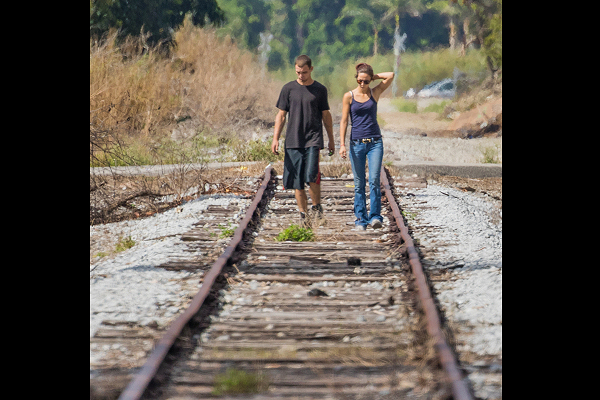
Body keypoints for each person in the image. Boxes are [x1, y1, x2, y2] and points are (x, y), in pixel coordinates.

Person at [272, 55, 335, 226]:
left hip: (313, 140)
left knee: (312, 176)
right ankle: (303, 215)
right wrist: (275, 138)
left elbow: (326, 116)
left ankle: (317, 209)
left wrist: (331, 140)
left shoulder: (320, 90)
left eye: (304, 72)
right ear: (295, 69)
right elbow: (281, 115)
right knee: (297, 181)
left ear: (311, 69)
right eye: (298, 72)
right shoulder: (288, 89)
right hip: (293, 140)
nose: (301, 75)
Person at [339, 63, 394, 231]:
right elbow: (344, 121)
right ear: (356, 79)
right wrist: (341, 144)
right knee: (359, 183)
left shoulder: (374, 92)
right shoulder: (348, 96)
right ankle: (361, 219)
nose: (362, 84)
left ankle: (375, 216)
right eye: (360, 80)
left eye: (366, 81)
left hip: (375, 143)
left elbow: (390, 75)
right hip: (356, 144)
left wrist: (373, 76)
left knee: (374, 180)